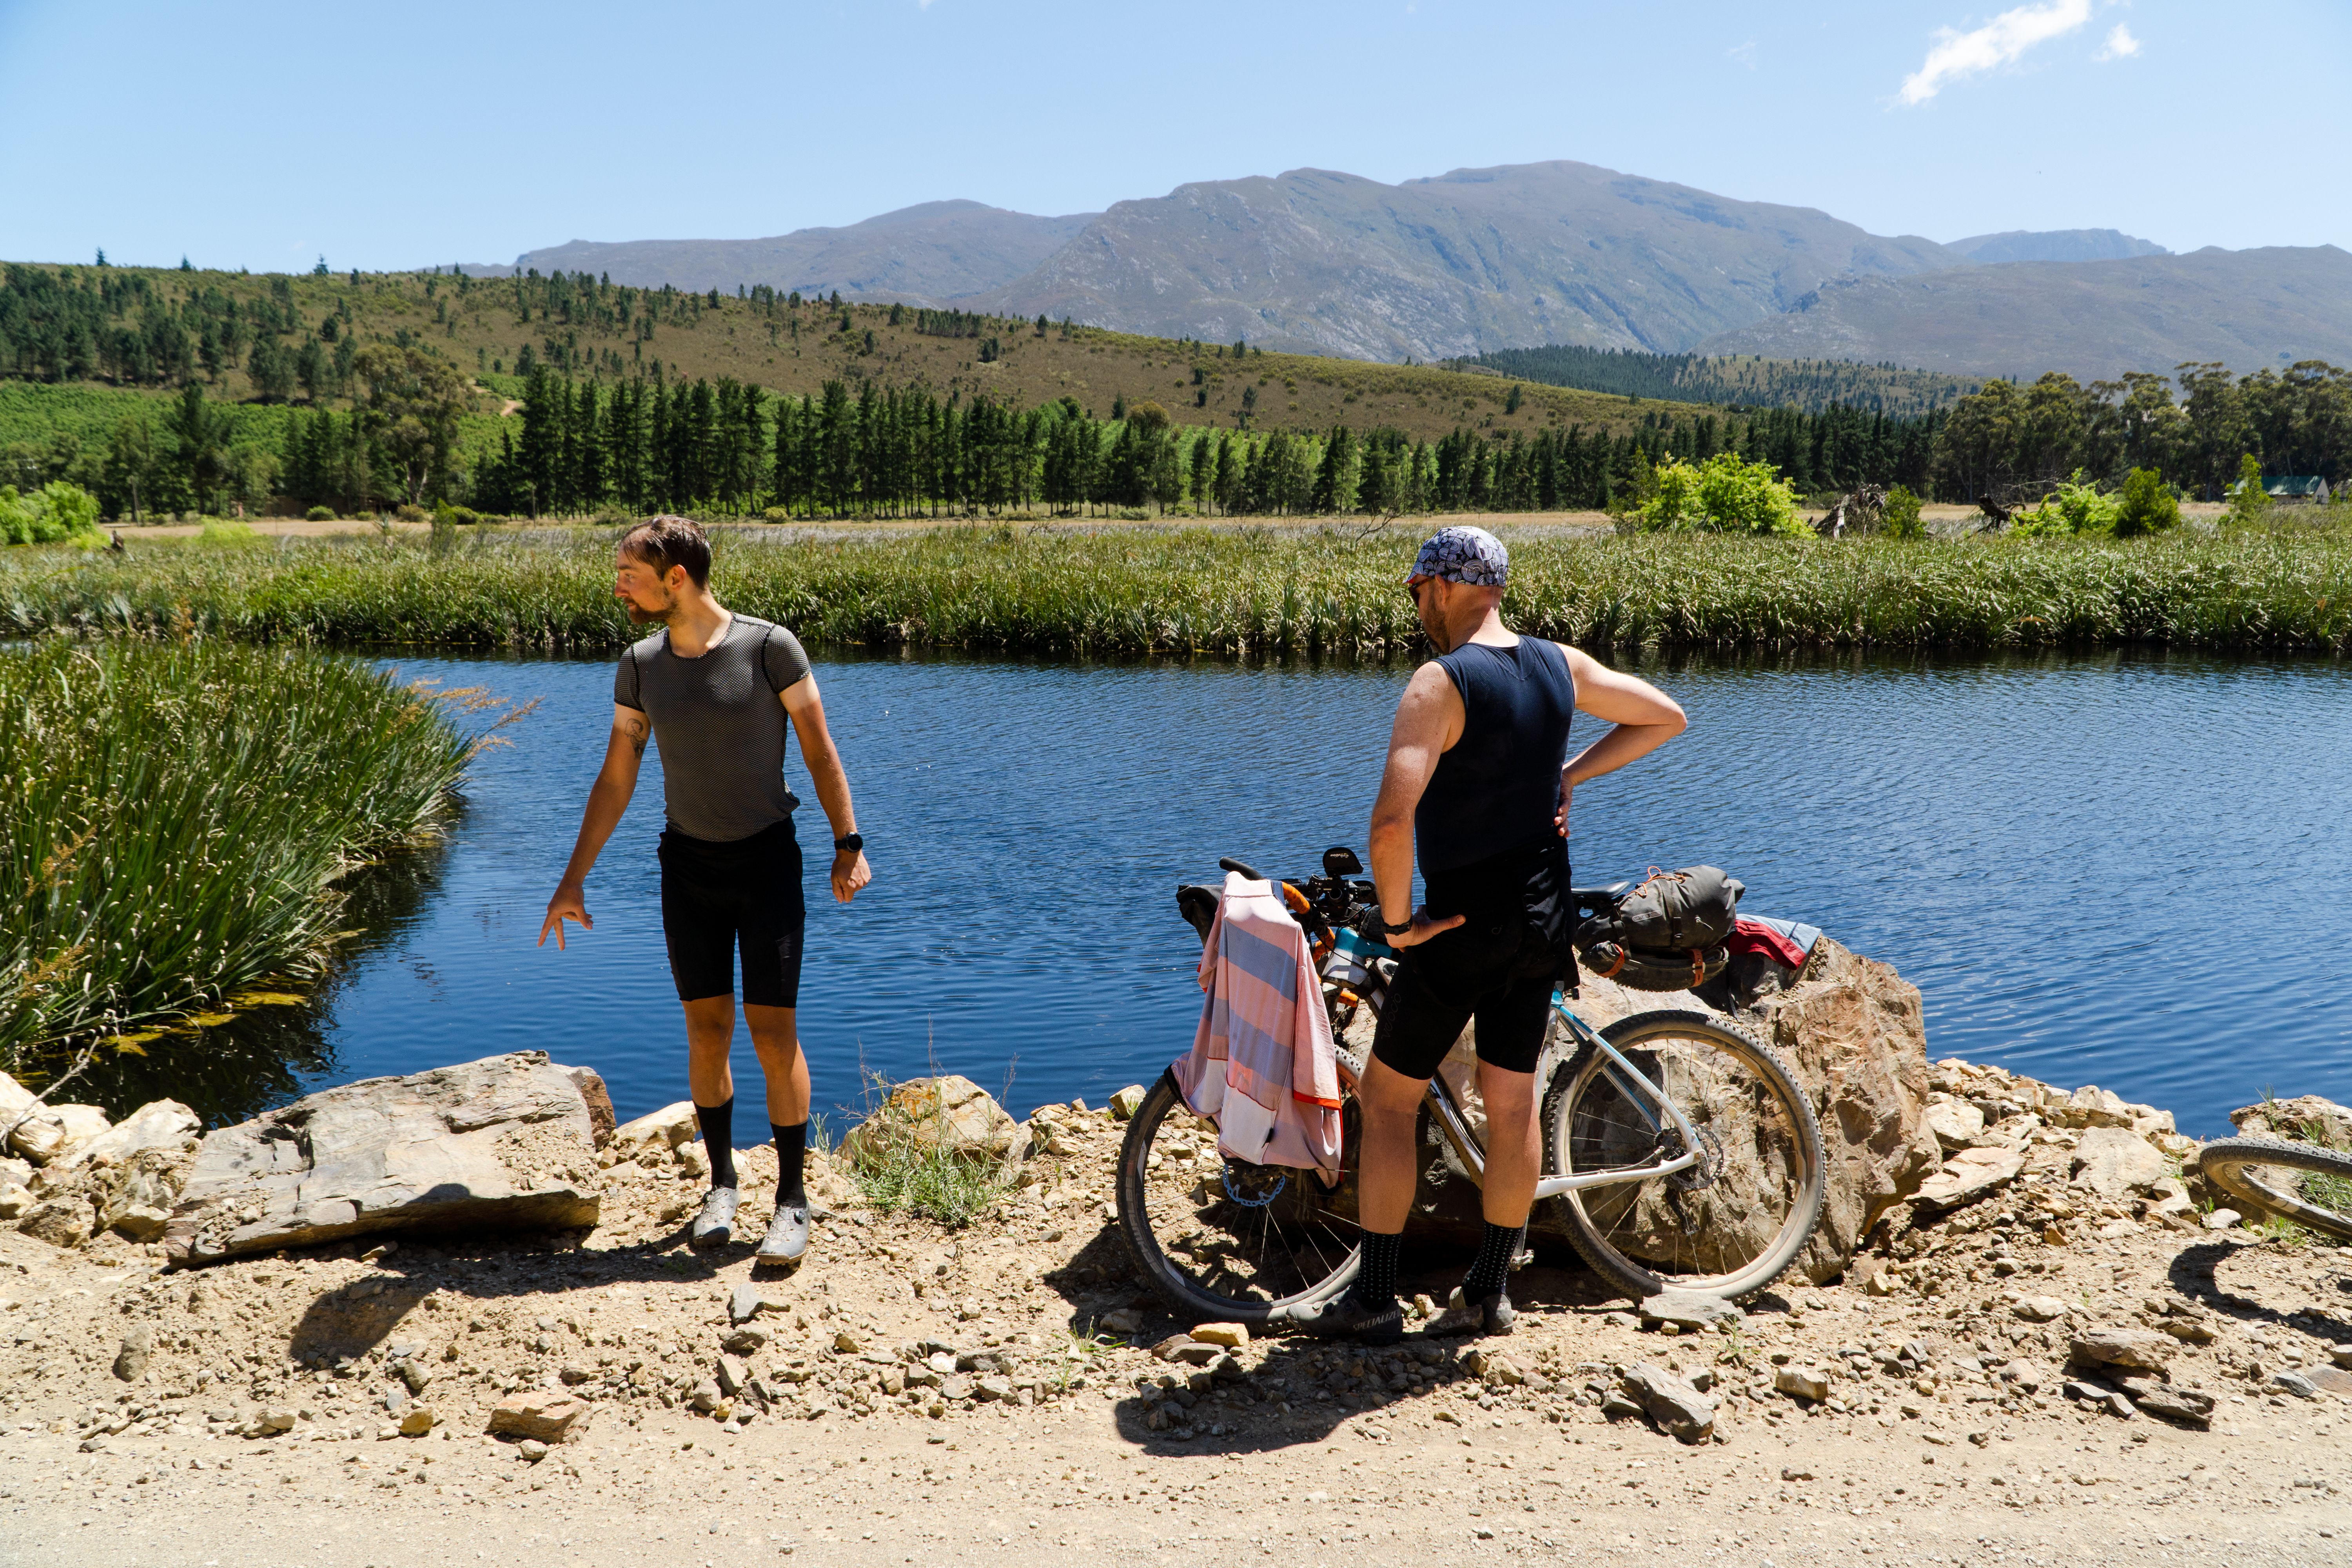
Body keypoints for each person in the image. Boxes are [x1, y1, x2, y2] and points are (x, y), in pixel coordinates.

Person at [1300, 525, 1686, 1344]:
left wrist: (1401, 923)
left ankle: (1374, 1297)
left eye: (1416, 591)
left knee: (1390, 1097)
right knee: (1511, 1108)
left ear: (1443, 585)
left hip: (1462, 927)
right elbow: (1664, 716)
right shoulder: (1559, 663)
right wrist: (1567, 775)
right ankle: (1486, 1293)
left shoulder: (1441, 681)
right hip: (1542, 922)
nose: (1416, 607)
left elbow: (1391, 821)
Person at [539, 515, 872, 1262]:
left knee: (772, 1031)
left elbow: (820, 750)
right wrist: (573, 880)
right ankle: (721, 1184)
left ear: (676, 577)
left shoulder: (769, 647)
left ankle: (791, 1199)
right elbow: (617, 775)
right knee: (706, 1029)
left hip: (766, 864)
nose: (619, 584)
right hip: (686, 868)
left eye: (629, 571)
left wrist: (847, 843)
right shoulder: (639, 664)